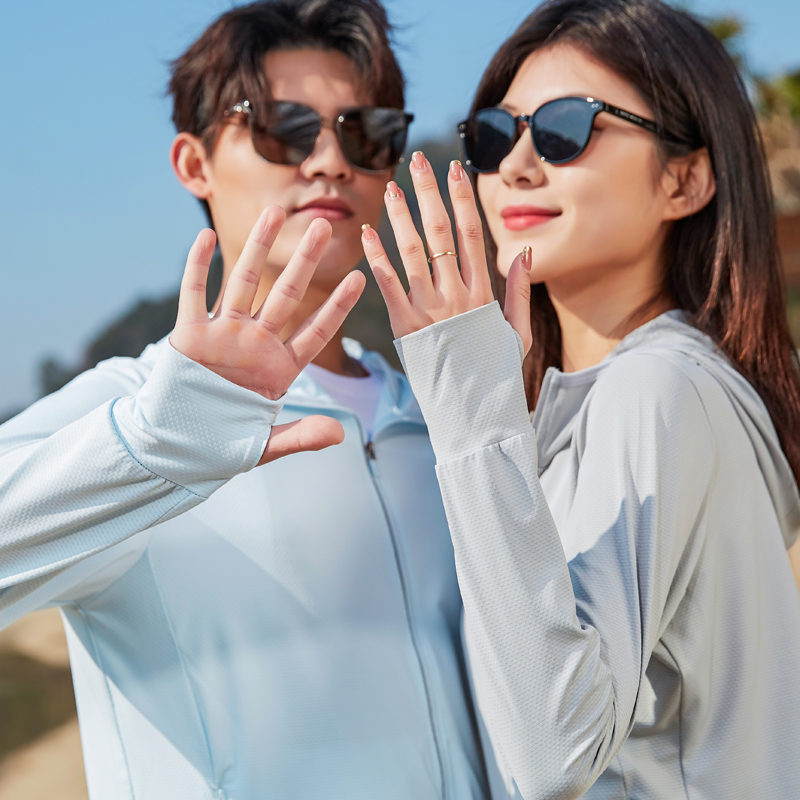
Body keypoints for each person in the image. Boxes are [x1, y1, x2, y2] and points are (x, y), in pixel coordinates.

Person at [0, 2, 488, 798]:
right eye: (284, 127)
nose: (330, 160)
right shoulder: (137, 409)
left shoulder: (440, 419)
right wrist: (164, 444)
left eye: (366, 133)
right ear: (193, 163)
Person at [361, 0, 800, 797]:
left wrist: (469, 408)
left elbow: (552, 753)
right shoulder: (639, 396)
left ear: (685, 179)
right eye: (495, 135)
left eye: (568, 128)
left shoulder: (654, 388)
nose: (518, 165)